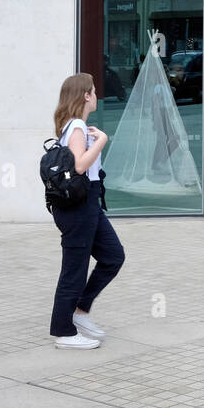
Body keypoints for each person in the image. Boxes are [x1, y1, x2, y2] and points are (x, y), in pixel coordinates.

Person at [49, 73, 126, 350]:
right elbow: (80, 166)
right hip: (79, 206)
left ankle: (80, 312)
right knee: (74, 269)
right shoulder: (78, 126)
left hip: (88, 203)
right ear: (85, 95)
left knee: (113, 256)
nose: (96, 95)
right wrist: (103, 140)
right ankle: (64, 332)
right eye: (93, 90)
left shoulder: (72, 126)